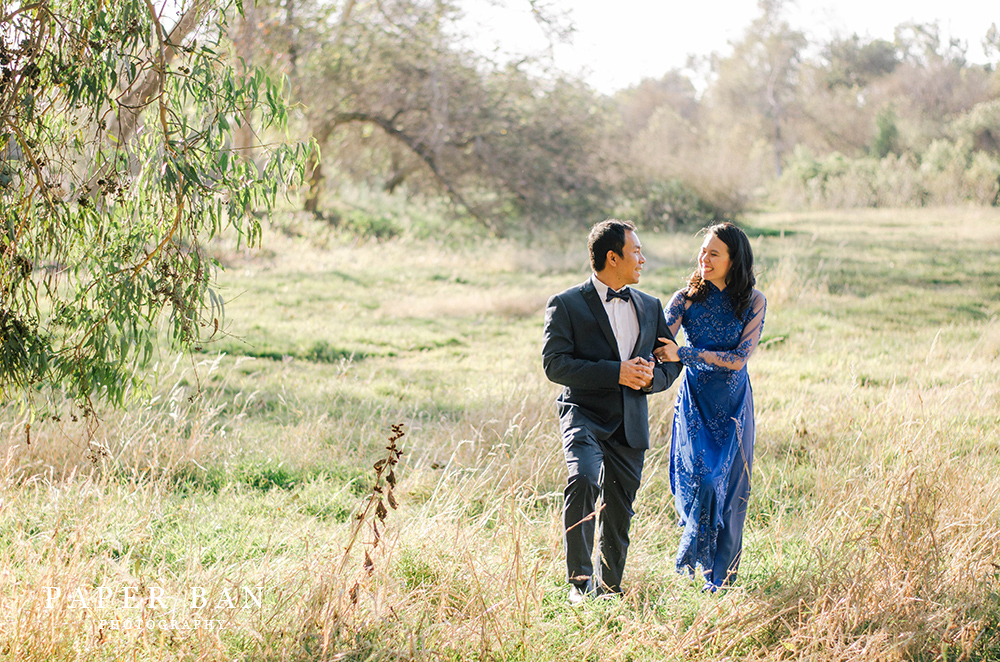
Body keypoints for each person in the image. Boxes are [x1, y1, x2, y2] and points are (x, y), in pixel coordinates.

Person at [542, 219, 682, 605]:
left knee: (620, 509)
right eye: (636, 251)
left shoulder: (651, 306)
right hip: (583, 414)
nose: (642, 259)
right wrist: (616, 372)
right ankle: (579, 583)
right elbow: (555, 365)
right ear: (612, 257)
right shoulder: (567, 304)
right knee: (584, 478)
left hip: (630, 422)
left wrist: (649, 380)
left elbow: (671, 363)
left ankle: (610, 590)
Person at [654, 222, 766, 592]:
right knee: (702, 481)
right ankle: (697, 557)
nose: (704, 258)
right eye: (703, 250)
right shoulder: (684, 299)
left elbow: (738, 359)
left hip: (734, 406)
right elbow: (659, 341)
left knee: (732, 491)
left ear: (734, 260)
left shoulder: (753, 301)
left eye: (714, 253)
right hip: (695, 404)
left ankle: (722, 581)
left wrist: (684, 352)